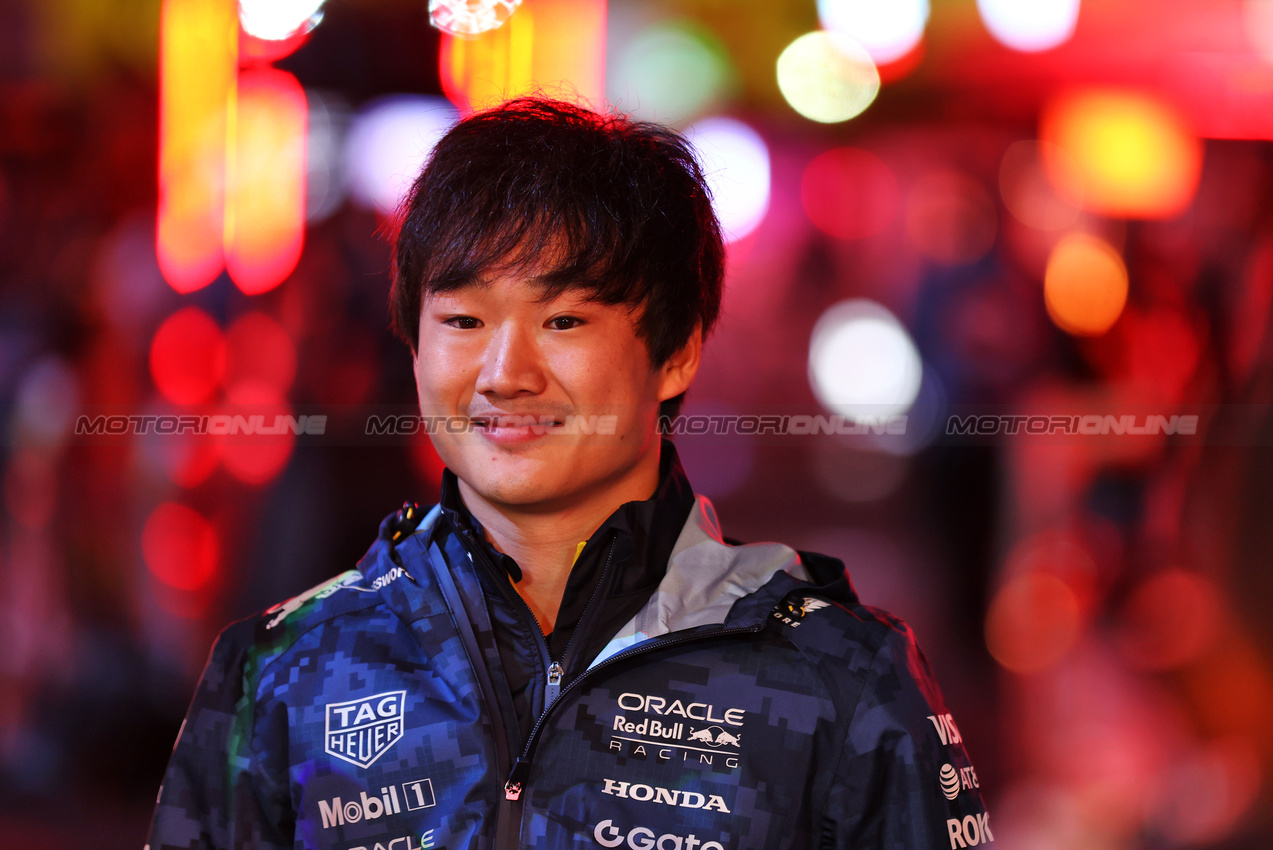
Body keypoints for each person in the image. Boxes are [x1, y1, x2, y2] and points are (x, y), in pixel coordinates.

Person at [147, 98, 991, 850]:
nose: (504, 372)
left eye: (562, 319)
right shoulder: (283, 671)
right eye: (465, 318)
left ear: (676, 350)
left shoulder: (841, 678)